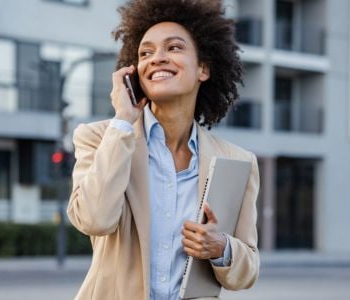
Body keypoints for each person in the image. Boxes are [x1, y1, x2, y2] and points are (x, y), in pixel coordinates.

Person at [67, 0, 260, 299]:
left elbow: (248, 268)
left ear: (204, 69)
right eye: (146, 53)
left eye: (173, 48)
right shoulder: (99, 138)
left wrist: (221, 247)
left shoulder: (237, 161)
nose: (157, 58)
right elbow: (94, 219)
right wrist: (123, 121)